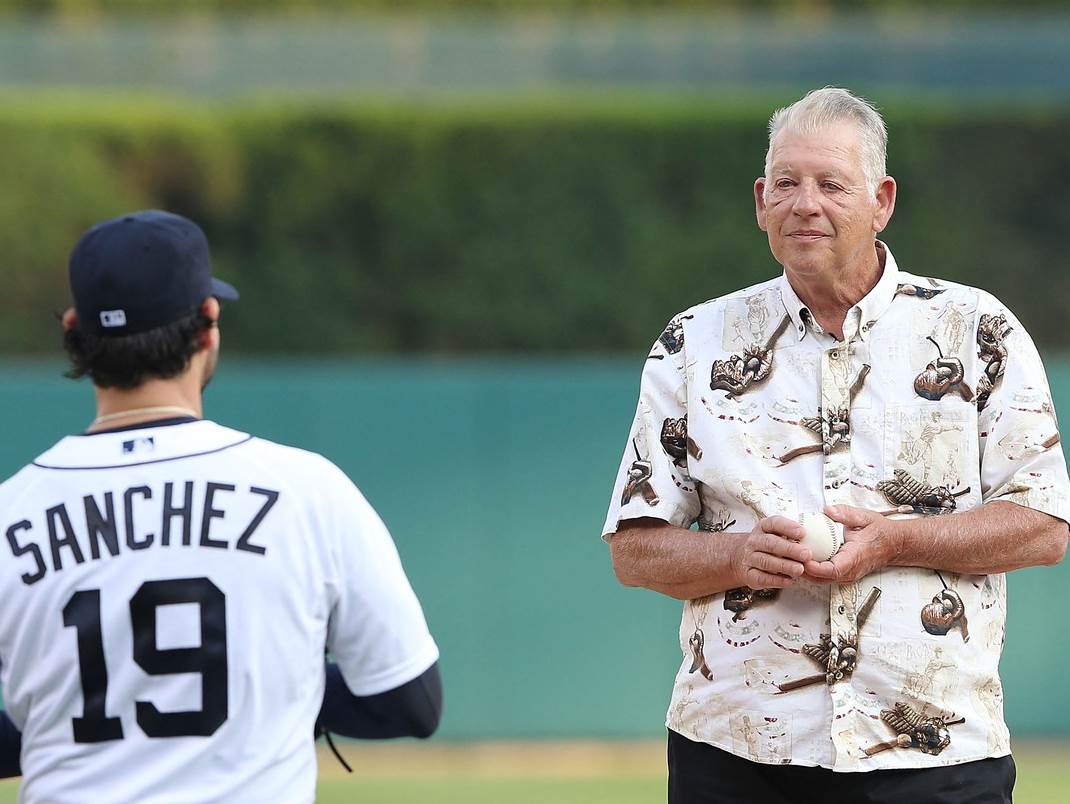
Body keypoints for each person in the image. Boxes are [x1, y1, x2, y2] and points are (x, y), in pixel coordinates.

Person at [602, 88, 1069, 804]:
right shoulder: (692, 344)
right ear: (760, 202)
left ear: (881, 200)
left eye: (830, 184)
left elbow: (1042, 527)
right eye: (785, 184)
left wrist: (892, 542)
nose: (804, 203)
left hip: (935, 750)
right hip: (736, 751)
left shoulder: (979, 331)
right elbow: (634, 548)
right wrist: (736, 556)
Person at [0, 210, 442, 802]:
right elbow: (410, 701)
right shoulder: (308, 491)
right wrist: (284, 685)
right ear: (208, 323)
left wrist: (64, 717)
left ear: (75, 329)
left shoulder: (10, 512)